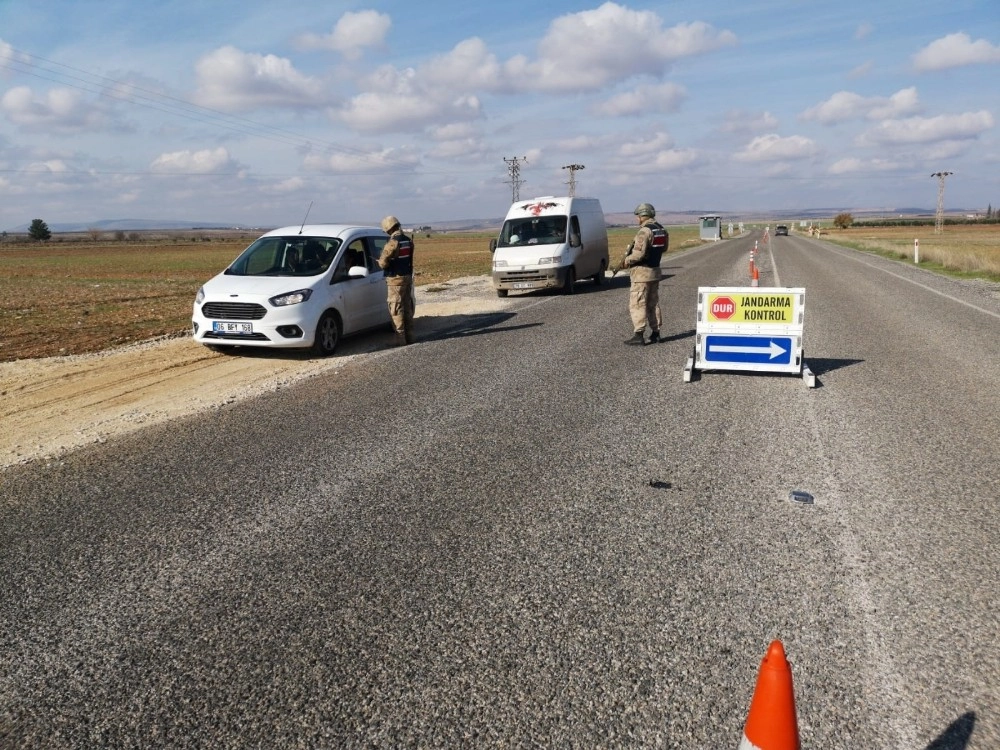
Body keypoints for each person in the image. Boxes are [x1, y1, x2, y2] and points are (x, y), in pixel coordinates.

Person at [617, 202, 668, 345]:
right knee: (653, 303)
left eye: (638, 216)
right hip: (655, 271)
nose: (637, 218)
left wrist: (626, 261)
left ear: (642, 216)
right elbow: (664, 248)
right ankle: (656, 333)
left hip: (641, 274)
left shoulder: (644, 231)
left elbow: (638, 255)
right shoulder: (661, 229)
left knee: (638, 303)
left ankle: (639, 335)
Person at [377, 215, 415, 346]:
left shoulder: (393, 242)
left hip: (395, 280)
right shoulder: (408, 241)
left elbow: (383, 263)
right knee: (406, 307)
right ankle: (410, 337)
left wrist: (380, 261)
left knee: (395, 308)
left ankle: (400, 339)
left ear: (389, 229)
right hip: (407, 277)